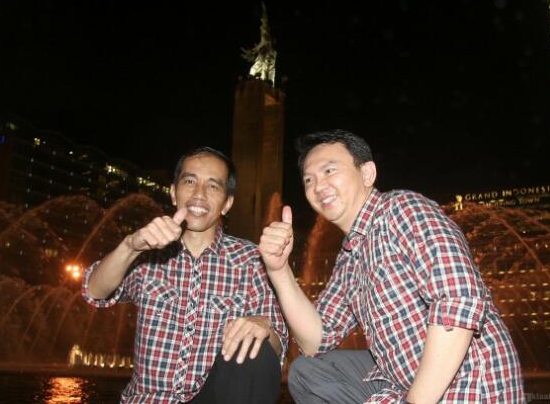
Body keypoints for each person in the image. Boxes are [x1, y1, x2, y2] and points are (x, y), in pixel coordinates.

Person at [259, 130, 524, 403]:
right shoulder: (351, 256)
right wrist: (279, 270)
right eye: (309, 179)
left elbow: (459, 301)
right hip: (404, 383)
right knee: (308, 373)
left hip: (469, 387)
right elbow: (316, 340)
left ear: (367, 173)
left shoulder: (403, 210)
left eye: (329, 170)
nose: (318, 186)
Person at [83, 147, 287, 404]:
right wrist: (130, 246)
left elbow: (277, 346)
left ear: (227, 203)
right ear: (173, 192)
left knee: (255, 349)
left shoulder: (250, 259)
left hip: (213, 397)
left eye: (213, 186)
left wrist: (263, 326)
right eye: (190, 181)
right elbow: (94, 292)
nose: (199, 194)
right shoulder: (146, 249)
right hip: (149, 399)